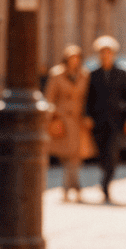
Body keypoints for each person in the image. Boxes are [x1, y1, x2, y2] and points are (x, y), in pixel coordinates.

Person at [85, 35, 126, 204]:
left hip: (115, 121)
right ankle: (105, 178)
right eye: (103, 53)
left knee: (112, 154)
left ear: (113, 54)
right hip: (98, 122)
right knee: (102, 154)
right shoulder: (93, 74)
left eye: (109, 52)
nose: (106, 56)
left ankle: (105, 184)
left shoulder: (121, 74)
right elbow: (87, 98)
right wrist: (87, 116)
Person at [45, 44, 95, 202]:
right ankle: (74, 188)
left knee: (76, 156)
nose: (74, 61)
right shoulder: (56, 74)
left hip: (78, 120)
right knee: (69, 156)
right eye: (71, 58)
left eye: (77, 58)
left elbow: (89, 98)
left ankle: (69, 189)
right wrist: (53, 115)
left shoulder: (84, 75)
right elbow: (49, 98)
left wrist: (88, 115)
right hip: (63, 119)